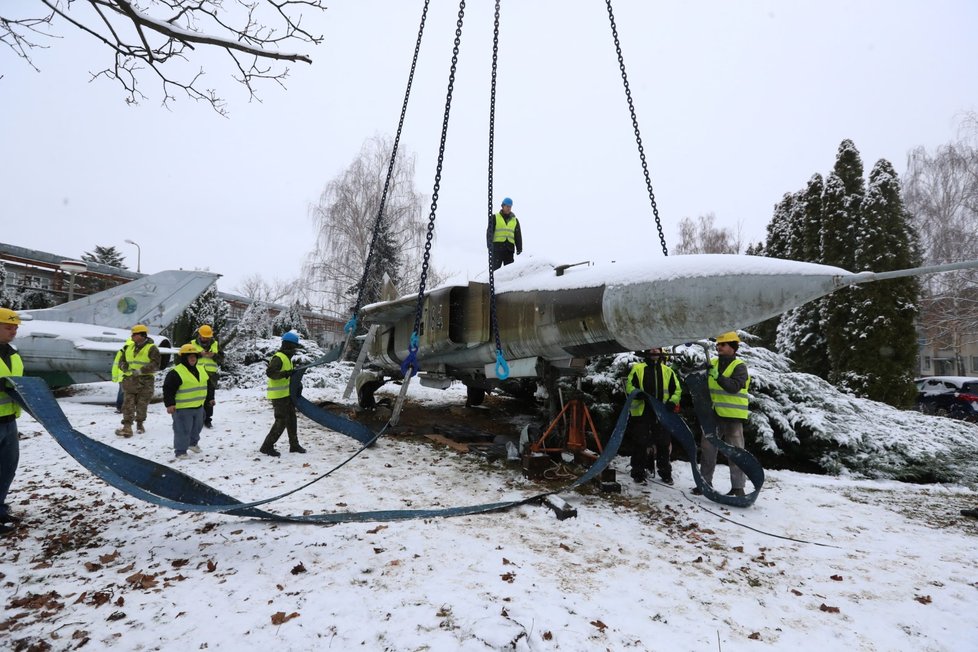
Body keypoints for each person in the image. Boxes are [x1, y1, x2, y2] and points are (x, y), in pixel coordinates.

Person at [693, 332, 751, 497]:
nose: (718, 347)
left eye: (723, 344)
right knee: (707, 449)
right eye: (718, 344)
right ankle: (704, 483)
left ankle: (738, 487)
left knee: (736, 452)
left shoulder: (739, 366)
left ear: (733, 347)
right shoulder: (712, 363)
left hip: (733, 416)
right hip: (713, 415)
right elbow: (696, 377)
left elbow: (734, 386)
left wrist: (718, 377)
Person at [624, 347, 682, 484]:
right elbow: (629, 386)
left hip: (662, 413)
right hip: (642, 412)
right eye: (653, 349)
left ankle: (665, 472)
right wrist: (638, 394)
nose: (655, 352)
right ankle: (638, 472)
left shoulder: (668, 371)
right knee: (640, 442)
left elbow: (677, 390)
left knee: (663, 443)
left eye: (658, 349)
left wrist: (672, 402)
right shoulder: (638, 369)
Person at [163, 343, 214, 461]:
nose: (193, 358)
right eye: (189, 356)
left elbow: (208, 385)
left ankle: (192, 444)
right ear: (183, 358)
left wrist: (210, 398)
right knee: (182, 430)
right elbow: (168, 389)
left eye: (194, 356)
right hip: (183, 408)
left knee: (197, 428)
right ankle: (180, 451)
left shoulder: (201, 369)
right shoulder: (176, 372)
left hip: (199, 407)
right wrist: (170, 404)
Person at [260, 332, 306, 457]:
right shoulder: (279, 357)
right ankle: (267, 446)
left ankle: (294, 445)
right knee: (281, 421)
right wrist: (286, 373)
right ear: (289, 345)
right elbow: (270, 373)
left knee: (291, 419)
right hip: (279, 396)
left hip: (286, 394)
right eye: (294, 346)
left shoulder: (286, 358)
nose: (295, 349)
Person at [0, 308, 25, 536]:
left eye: (15, 327)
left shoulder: (13, 353)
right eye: (9, 327)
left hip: (9, 420)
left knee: (7, 468)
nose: (13, 331)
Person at [115, 324, 161, 438]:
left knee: (142, 404)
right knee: (128, 403)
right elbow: (122, 361)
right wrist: (124, 367)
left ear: (142, 335)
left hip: (146, 380)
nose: (132, 336)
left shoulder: (152, 348)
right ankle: (127, 426)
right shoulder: (128, 348)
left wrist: (141, 371)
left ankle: (140, 424)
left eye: (135, 334)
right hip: (130, 379)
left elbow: (156, 364)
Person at [193, 324, 223, 429]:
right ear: (199, 335)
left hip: (211, 376)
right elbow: (185, 357)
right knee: (196, 398)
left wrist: (214, 356)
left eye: (207, 337)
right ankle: (196, 419)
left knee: (209, 398)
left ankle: (207, 420)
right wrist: (198, 354)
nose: (205, 338)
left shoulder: (215, 344)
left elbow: (222, 359)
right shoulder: (192, 344)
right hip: (196, 375)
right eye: (204, 336)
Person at [488, 197, 522, 271]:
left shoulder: (515, 220)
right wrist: (489, 245)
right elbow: (489, 232)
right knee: (495, 270)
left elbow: (518, 235)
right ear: (502, 206)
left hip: (509, 250)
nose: (508, 208)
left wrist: (519, 248)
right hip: (497, 249)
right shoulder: (495, 217)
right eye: (507, 206)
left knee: (510, 271)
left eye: (510, 206)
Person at [110, 338, 132, 413]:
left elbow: (115, 364)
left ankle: (120, 408)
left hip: (122, 377)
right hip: (131, 376)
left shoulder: (122, 351)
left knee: (122, 392)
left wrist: (114, 376)